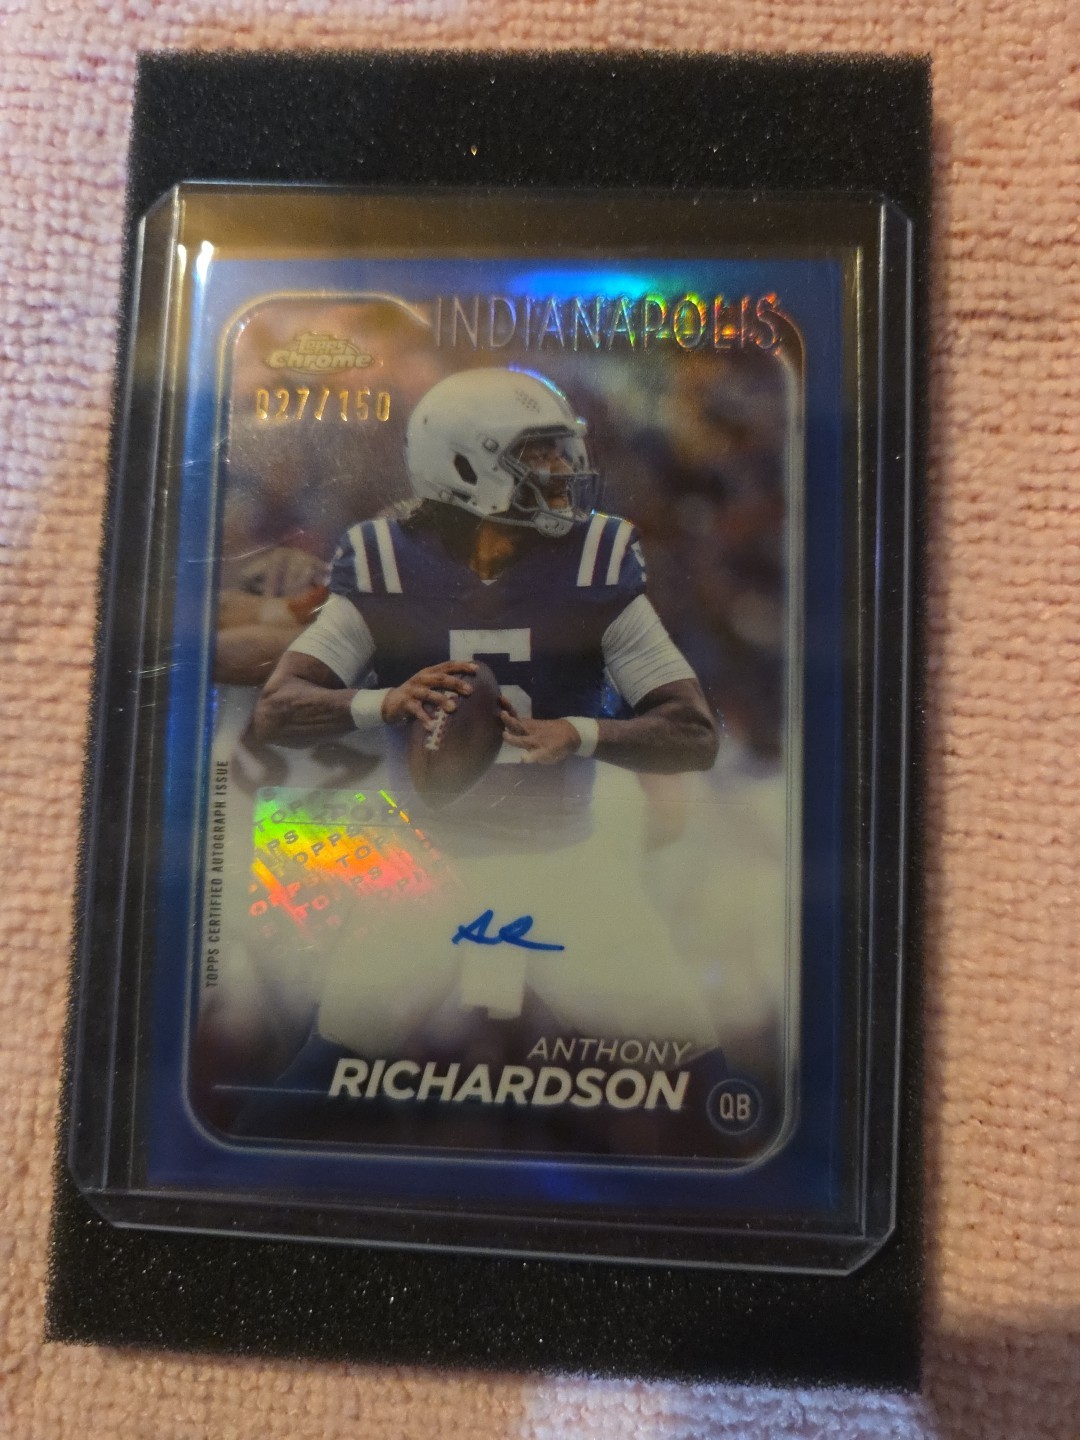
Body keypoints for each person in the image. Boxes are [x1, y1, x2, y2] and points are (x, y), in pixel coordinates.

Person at [252, 366, 723, 1069]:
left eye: (562, 448)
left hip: (568, 863)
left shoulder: (594, 565)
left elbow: (693, 732)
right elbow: (278, 709)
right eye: (539, 452)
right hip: (429, 867)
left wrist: (580, 734)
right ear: (465, 465)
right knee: (326, 1074)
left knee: (700, 1078)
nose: (563, 468)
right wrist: (385, 700)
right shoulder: (386, 567)